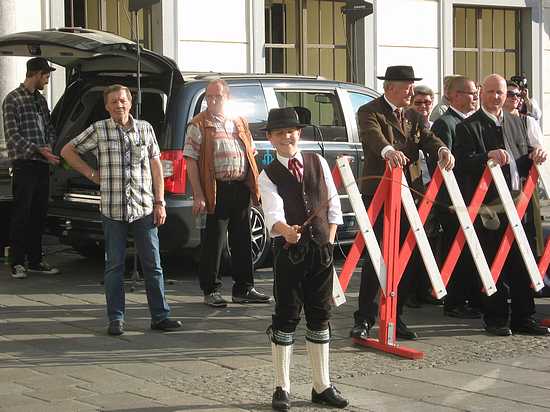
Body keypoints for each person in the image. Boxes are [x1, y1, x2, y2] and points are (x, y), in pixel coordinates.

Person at [61, 84, 181, 336]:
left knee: (153, 265)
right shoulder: (99, 129)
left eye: (123, 100)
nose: (119, 105)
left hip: (144, 208)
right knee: (114, 266)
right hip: (113, 209)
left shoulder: (145, 129)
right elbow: (67, 151)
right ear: (107, 106)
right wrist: (91, 174)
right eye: (113, 102)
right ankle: (116, 319)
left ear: (130, 102)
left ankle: (160, 316)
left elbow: (156, 167)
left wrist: (160, 202)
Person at [350, 65, 455, 341]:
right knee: (377, 256)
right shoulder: (370, 110)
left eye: (412, 85)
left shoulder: (413, 115)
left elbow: (428, 138)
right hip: (381, 191)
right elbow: (374, 137)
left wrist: (442, 149)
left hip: (410, 193)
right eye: (406, 86)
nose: (411, 91)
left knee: (407, 256)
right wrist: (388, 151)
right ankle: (364, 318)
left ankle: (396, 317)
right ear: (389, 88)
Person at [258, 107, 348, 410]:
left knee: (320, 315)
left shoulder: (317, 161)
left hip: (321, 251)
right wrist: (286, 231)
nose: (287, 137)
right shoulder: (267, 174)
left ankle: (321, 385)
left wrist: (330, 238)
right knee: (286, 317)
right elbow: (272, 213)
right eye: (280, 133)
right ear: (271, 139)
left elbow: (332, 203)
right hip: (289, 254)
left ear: (299, 133)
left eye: (291, 131)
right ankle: (281, 388)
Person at [454, 74, 549, 337]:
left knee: (523, 261)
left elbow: (526, 157)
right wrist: (487, 156)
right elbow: (462, 163)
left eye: (501, 93)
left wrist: (536, 154)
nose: (497, 97)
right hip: (491, 206)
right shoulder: (468, 126)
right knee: (493, 261)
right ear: (482, 92)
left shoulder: (519, 123)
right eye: (492, 92)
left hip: (520, 202)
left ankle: (524, 317)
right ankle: (495, 318)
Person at [184, 79, 271, 308]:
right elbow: (190, 160)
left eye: (217, 97)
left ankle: (244, 288)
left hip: (240, 186)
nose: (212, 101)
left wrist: (254, 186)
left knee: (242, 240)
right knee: (214, 242)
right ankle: (211, 290)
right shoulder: (199, 124)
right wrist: (198, 194)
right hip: (216, 188)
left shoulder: (239, 121)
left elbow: (251, 151)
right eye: (209, 97)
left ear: (227, 98)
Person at [2, 57, 61, 279]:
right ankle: (18, 262)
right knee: (21, 213)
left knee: (39, 213)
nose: (47, 80)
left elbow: (50, 128)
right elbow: (12, 137)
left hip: (42, 164)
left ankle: (36, 260)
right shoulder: (12, 100)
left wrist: (49, 146)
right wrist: (38, 150)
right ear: (36, 74)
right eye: (45, 76)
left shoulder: (40, 101)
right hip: (24, 163)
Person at [431, 76, 482, 319]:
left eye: (476, 92)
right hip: (453, 199)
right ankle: (454, 301)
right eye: (470, 93)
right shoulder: (445, 123)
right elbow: (443, 166)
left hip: (474, 198)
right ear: (454, 95)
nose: (475, 97)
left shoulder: (474, 122)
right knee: (455, 250)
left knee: (472, 251)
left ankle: (473, 297)